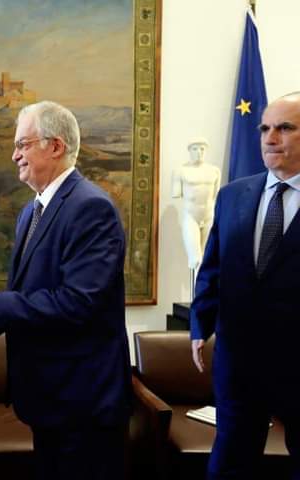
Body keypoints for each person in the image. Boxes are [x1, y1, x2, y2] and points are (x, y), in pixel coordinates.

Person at [0, 101, 132, 479]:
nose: (14, 155)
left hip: (81, 401)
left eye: (23, 145)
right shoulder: (31, 211)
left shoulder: (91, 207)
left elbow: (77, 303)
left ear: (56, 146)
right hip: (48, 397)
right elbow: (36, 290)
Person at [191, 92, 300, 478]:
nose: (271, 138)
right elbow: (212, 268)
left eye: (285, 128)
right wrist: (199, 326)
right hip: (239, 362)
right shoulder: (233, 195)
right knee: (230, 462)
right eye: (265, 128)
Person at [171, 137, 221, 269]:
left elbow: (215, 195)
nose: (199, 152)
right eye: (195, 149)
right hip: (190, 217)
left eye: (202, 149)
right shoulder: (181, 171)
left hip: (209, 216)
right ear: (189, 150)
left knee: (206, 259)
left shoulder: (214, 171)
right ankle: (196, 282)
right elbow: (176, 193)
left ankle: (200, 284)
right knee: (195, 259)